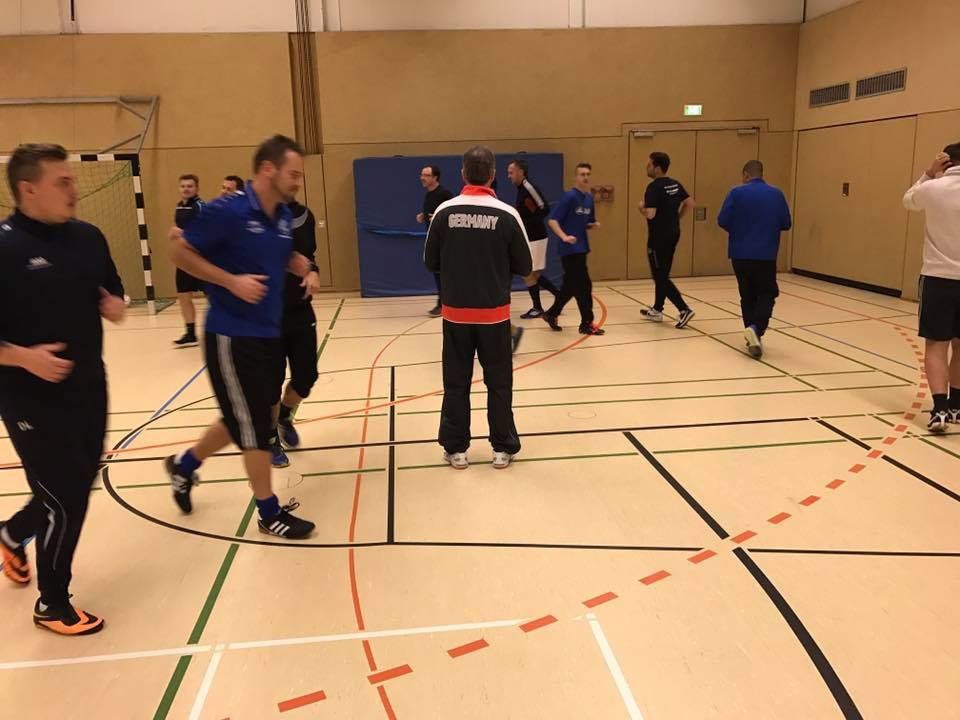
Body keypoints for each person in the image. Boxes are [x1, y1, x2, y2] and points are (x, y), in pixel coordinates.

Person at [0, 143, 127, 635]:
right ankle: (52, 603)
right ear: (28, 189)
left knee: (75, 483)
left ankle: (12, 534)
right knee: (65, 497)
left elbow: (112, 290)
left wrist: (115, 305)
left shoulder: (88, 237)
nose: (75, 189)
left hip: (90, 385)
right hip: (28, 396)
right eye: (63, 181)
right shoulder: (5, 248)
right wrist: (23, 357)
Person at [163, 135, 316, 538]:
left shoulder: (280, 215)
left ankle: (184, 466)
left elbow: (280, 254)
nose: (298, 181)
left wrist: (303, 266)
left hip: (268, 333)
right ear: (268, 169)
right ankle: (269, 512)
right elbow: (178, 252)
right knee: (254, 427)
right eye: (293, 174)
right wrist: (230, 281)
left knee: (241, 419)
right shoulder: (227, 210)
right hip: (232, 335)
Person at [424, 145, 532, 469]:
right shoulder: (507, 214)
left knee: (456, 382)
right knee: (499, 383)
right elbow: (525, 265)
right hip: (494, 317)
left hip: (455, 316)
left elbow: (430, 261)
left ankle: (456, 449)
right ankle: (503, 447)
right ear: (493, 175)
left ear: (463, 174)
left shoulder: (444, 212)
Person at [903, 143, 960, 433]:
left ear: (945, 161)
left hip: (938, 278)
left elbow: (908, 200)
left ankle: (939, 410)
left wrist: (928, 173)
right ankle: (957, 406)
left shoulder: (932, 189)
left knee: (936, 345)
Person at [717, 160, 792, 359]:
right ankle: (756, 328)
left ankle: (752, 336)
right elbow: (786, 223)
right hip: (765, 254)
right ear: (761, 173)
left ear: (745, 174)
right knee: (767, 293)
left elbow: (722, 220)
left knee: (747, 295)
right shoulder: (776, 194)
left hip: (739, 254)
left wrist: (739, 230)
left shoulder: (735, 192)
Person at [269, 197, 322, 468]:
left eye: (297, 176)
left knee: (306, 377)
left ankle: (283, 417)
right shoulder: (258, 213)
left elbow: (308, 257)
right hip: (266, 314)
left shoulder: (304, 215)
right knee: (270, 382)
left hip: (299, 309)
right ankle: (270, 439)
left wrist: (313, 272)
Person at [540, 163, 606, 336]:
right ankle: (586, 323)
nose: (585, 177)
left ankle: (551, 313)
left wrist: (592, 225)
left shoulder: (589, 198)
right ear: (576, 177)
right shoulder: (569, 197)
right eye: (582, 174)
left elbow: (586, 222)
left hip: (582, 248)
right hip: (569, 249)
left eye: (588, 174)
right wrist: (564, 237)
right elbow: (553, 220)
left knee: (570, 286)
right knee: (584, 286)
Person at [639, 152, 696, 329]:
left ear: (657, 168)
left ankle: (684, 309)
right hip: (673, 234)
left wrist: (641, 208)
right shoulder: (675, 184)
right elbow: (690, 203)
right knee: (663, 272)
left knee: (660, 276)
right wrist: (677, 217)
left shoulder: (653, 187)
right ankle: (657, 309)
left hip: (658, 238)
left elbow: (651, 214)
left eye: (649, 164)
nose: (647, 167)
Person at [508, 157, 559, 319]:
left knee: (528, 274)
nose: (509, 176)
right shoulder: (521, 189)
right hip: (530, 237)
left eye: (511, 172)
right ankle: (559, 295)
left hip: (536, 237)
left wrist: (527, 224)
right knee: (534, 274)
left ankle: (537, 307)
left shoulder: (528, 187)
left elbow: (544, 208)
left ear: (521, 172)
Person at [173, 174, 205, 348]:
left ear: (196, 188)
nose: (186, 189)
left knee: (214, 296)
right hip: (184, 259)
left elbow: (205, 231)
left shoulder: (200, 206)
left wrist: (182, 233)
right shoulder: (179, 206)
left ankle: (227, 329)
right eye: (183, 186)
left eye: (189, 186)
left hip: (201, 258)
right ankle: (190, 333)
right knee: (183, 295)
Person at [417, 165, 454, 317]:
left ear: (435, 177)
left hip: (444, 240)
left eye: (426, 175)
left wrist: (439, 218)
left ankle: (443, 304)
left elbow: (453, 213)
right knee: (436, 271)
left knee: (442, 272)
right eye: (422, 175)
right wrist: (423, 215)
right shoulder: (429, 194)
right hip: (432, 238)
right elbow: (433, 211)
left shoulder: (444, 194)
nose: (422, 178)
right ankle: (443, 303)